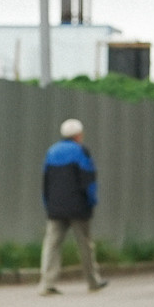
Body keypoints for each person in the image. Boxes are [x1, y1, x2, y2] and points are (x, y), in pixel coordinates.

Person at [39, 118, 106, 295]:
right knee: (85, 245)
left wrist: (48, 204)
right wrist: (92, 201)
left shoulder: (51, 152)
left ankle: (47, 284)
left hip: (55, 208)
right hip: (78, 207)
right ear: (78, 135)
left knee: (51, 245)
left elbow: (45, 182)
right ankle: (93, 282)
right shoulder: (81, 151)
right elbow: (89, 180)